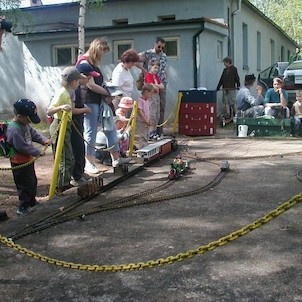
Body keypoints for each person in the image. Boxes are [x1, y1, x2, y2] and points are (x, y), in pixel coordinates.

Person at [6, 99, 51, 215]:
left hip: (27, 160)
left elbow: (33, 133)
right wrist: (36, 151)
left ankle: (32, 201)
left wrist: (43, 140)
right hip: (19, 162)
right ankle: (23, 205)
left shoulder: (25, 124)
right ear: (20, 116)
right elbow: (21, 146)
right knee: (24, 184)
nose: (30, 122)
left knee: (32, 181)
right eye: (28, 119)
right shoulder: (14, 129)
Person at [47, 66, 85, 192]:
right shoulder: (62, 92)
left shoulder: (69, 93)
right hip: (59, 125)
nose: (79, 83)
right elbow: (49, 111)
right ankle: (61, 186)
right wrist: (61, 107)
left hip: (66, 125)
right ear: (73, 81)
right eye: (78, 81)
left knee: (69, 157)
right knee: (65, 158)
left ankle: (64, 183)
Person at [70, 63, 99, 187]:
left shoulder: (80, 88)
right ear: (81, 76)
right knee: (76, 149)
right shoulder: (73, 90)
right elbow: (72, 109)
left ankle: (80, 172)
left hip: (79, 123)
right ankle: (76, 176)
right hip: (73, 124)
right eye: (89, 77)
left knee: (81, 148)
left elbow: (79, 105)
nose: (90, 79)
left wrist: (84, 107)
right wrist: (85, 110)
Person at [136, 37, 168, 138]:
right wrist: (143, 70)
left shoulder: (163, 56)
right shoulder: (148, 53)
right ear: (155, 44)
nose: (160, 49)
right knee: (150, 108)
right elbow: (135, 59)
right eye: (159, 46)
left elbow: (165, 69)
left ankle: (159, 131)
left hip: (161, 83)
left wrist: (165, 81)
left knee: (160, 107)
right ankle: (150, 131)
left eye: (163, 47)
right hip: (150, 84)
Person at [144, 61, 164, 140]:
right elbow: (151, 86)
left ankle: (154, 131)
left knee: (156, 115)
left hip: (156, 96)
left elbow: (162, 86)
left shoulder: (156, 77)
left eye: (158, 68)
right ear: (150, 67)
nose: (156, 70)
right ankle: (150, 132)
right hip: (151, 96)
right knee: (151, 114)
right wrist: (156, 85)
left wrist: (156, 85)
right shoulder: (148, 75)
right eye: (155, 68)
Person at [216, 56, 240, 121]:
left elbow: (236, 77)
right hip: (225, 88)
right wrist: (218, 87)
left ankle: (236, 114)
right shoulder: (225, 70)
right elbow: (221, 79)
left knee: (233, 101)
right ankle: (228, 114)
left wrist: (238, 85)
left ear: (228, 62)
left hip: (231, 88)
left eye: (225, 63)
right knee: (226, 101)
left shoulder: (234, 69)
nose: (224, 64)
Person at [135, 84, 154, 149]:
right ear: (146, 92)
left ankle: (146, 147)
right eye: (150, 94)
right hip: (141, 121)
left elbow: (148, 111)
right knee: (142, 136)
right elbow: (140, 111)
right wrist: (145, 120)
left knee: (146, 135)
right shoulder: (140, 100)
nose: (151, 96)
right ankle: (143, 148)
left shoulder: (147, 101)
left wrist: (149, 119)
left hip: (146, 121)